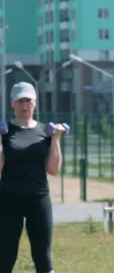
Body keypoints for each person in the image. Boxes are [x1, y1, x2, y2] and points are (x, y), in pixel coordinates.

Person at [0, 82, 67, 273]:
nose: (24, 106)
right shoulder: (6, 132)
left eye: (28, 101)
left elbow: (53, 169)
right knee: (4, 257)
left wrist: (56, 139)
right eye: (20, 101)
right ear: (12, 103)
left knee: (43, 258)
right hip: (8, 200)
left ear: (35, 103)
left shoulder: (45, 132)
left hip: (38, 199)